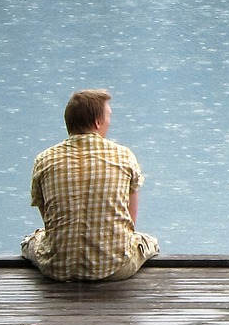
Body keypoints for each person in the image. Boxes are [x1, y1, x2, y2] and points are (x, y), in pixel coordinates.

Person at [21, 89, 160, 282]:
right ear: (97, 122)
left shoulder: (44, 159)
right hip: (114, 267)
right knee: (149, 242)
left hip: (57, 267)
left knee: (30, 242)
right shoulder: (123, 156)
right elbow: (131, 222)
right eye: (108, 116)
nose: (110, 121)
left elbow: (48, 218)